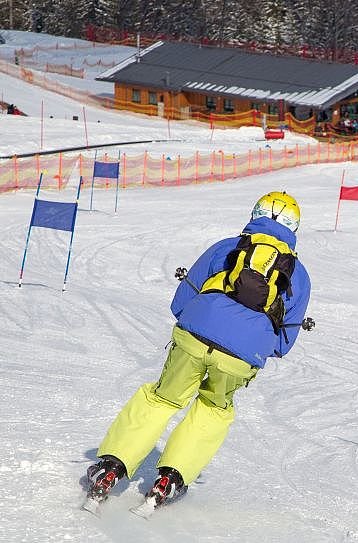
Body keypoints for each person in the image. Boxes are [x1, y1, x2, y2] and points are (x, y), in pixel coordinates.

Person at [85, 191, 312, 511]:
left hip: (194, 334)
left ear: (255, 213)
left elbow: (183, 297)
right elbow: (284, 341)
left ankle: (112, 467)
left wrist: (194, 321)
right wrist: (256, 344)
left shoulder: (227, 248)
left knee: (162, 398)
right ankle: (171, 477)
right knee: (212, 410)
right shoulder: (298, 275)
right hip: (242, 355)